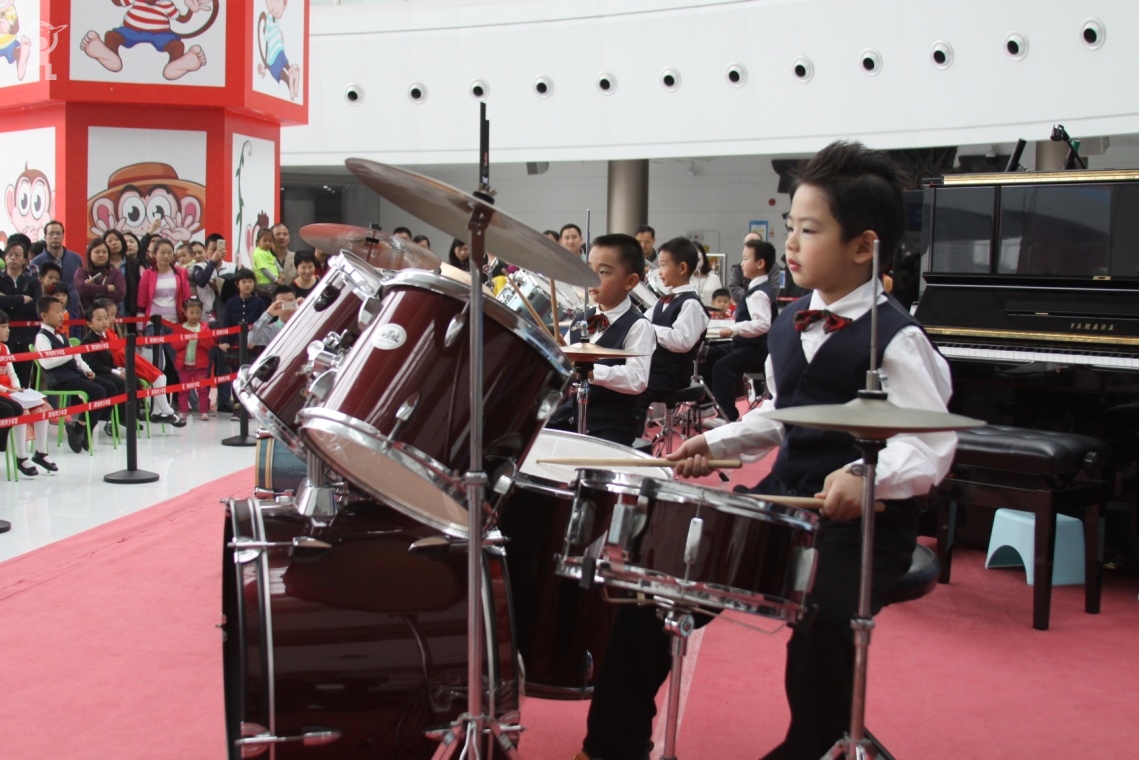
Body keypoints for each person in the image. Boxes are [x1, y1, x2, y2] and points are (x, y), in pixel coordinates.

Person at [574, 141, 956, 760]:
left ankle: (816, 745)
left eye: (810, 230)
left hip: (866, 526)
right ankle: (612, 747)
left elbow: (932, 441)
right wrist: (715, 440)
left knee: (823, 625)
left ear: (864, 246)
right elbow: (783, 411)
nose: (793, 244)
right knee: (651, 592)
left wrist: (867, 476)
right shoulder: (789, 319)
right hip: (785, 502)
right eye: (791, 227)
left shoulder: (898, 338)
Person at [547, 233, 653, 447]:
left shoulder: (638, 325)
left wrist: (589, 370)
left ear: (630, 281)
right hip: (570, 416)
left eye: (603, 272)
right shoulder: (581, 318)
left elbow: (637, 379)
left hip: (610, 425)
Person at [699, 239, 778, 422]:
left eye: (745, 259)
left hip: (758, 350)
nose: (741, 263)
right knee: (707, 355)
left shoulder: (758, 293)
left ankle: (727, 416)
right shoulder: (756, 289)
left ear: (760, 263)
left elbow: (763, 324)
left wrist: (734, 328)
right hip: (745, 345)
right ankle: (706, 406)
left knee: (722, 367)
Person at [89, 297, 186, 428]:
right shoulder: (101, 334)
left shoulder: (110, 331)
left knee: (162, 376)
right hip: (122, 360)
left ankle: (157, 411)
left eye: (112, 315)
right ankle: (167, 411)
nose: (111, 319)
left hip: (128, 356)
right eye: (108, 316)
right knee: (157, 378)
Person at [639, 237, 708, 414]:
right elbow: (640, 321)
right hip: (654, 369)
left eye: (663, 265)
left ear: (682, 268)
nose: (658, 272)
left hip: (672, 375)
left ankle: (631, 430)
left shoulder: (691, 304)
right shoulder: (663, 300)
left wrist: (648, 328)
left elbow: (682, 341)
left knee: (635, 389)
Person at [34, 295, 109, 452]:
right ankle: (81, 429)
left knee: (109, 387)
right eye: (57, 312)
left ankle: (81, 428)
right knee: (98, 391)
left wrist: (87, 369)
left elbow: (77, 356)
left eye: (62, 311)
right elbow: (46, 362)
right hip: (60, 380)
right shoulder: (41, 337)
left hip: (74, 375)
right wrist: (69, 354)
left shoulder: (61, 335)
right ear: (44, 315)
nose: (61, 315)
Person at [0, 309, 57, 476]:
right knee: (21, 410)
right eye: (3, 327)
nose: (8, 330)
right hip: (4, 392)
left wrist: (17, 388)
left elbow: (12, 373)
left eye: (8, 326)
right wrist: (9, 390)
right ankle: (21, 456)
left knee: (41, 405)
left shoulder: (4, 348)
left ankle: (41, 452)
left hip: (11, 390)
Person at [218, 269, 266, 413]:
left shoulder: (259, 302)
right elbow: (226, 322)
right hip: (235, 343)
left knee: (252, 374)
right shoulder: (231, 302)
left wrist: (256, 340)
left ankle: (251, 406)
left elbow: (263, 323)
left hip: (253, 345)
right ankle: (238, 406)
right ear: (237, 284)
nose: (247, 285)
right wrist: (224, 340)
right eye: (244, 282)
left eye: (250, 281)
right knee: (236, 374)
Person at [0, 235, 41, 388]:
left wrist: (8, 301)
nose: (13, 258)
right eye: (9, 254)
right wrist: (21, 299)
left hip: (26, 336)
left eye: (17, 255)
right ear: (5, 257)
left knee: (23, 381)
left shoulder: (32, 282)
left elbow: (36, 308)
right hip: (4, 338)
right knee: (4, 379)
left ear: (25, 260)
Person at [31, 221, 85, 338]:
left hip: (72, 310)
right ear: (45, 237)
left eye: (58, 233)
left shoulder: (76, 258)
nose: (55, 237)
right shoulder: (36, 262)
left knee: (74, 342)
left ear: (63, 236)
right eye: (51, 233)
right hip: (48, 313)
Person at [173, 297, 216, 421]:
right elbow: (175, 345)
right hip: (184, 365)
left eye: (197, 312)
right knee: (183, 390)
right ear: (185, 312)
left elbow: (210, 345)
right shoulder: (179, 328)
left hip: (200, 366)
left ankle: (204, 411)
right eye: (191, 312)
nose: (195, 315)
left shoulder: (204, 327)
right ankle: (183, 412)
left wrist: (201, 339)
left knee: (202, 390)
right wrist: (185, 339)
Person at [75, 238, 126, 314]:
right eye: (97, 252)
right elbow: (82, 289)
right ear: (89, 253)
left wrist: (92, 289)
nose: (101, 254)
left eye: (104, 252)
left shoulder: (115, 272)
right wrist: (107, 288)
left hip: (111, 317)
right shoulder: (81, 272)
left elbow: (120, 294)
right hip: (87, 317)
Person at [103, 229, 140, 315]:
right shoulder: (102, 264)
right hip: (106, 313)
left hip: (130, 312)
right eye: (110, 241)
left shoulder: (134, 263)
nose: (114, 243)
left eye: (117, 240)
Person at [727, 230, 763, 304]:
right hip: (743, 306)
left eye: (755, 244)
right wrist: (751, 296)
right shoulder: (738, 268)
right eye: (748, 244)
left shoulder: (771, 268)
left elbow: (774, 288)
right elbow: (733, 288)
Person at [251, 228, 281, 298]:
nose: (268, 243)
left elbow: (275, 261)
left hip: (273, 282)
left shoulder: (268, 251)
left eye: (270, 241)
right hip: (265, 284)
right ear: (258, 242)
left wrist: (281, 272)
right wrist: (276, 280)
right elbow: (264, 269)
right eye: (264, 240)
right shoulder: (258, 253)